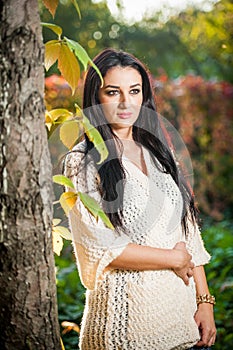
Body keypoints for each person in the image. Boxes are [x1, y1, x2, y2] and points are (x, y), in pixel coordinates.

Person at [64, 48, 216, 350]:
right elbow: (99, 247)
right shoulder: (82, 161)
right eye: (113, 92)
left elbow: (187, 232)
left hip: (184, 324)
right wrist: (173, 258)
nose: (126, 102)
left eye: (134, 91)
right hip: (126, 331)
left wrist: (205, 302)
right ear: (96, 97)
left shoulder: (159, 152)